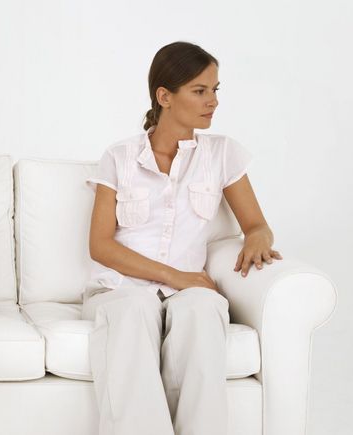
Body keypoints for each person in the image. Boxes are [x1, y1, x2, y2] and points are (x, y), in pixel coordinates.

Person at [83, 41, 282, 435]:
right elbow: (100, 245)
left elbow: (256, 225)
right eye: (200, 90)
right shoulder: (119, 157)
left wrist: (258, 238)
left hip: (190, 292)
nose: (213, 101)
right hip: (121, 289)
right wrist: (175, 276)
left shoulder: (222, 154)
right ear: (165, 96)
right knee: (135, 308)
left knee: (204, 310)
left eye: (215, 90)